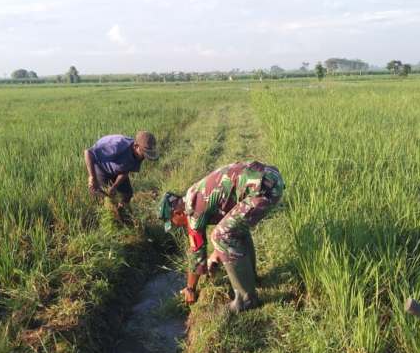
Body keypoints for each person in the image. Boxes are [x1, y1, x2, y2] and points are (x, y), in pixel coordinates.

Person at [158, 161, 284, 314]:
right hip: (270, 178)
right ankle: (252, 279)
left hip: (264, 188)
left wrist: (190, 288)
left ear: (177, 213)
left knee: (221, 235)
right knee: (234, 231)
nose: (177, 225)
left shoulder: (192, 210)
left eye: (173, 222)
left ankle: (246, 300)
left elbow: (196, 255)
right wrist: (216, 256)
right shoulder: (194, 194)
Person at [84, 131, 159, 214]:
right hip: (101, 167)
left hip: (117, 170)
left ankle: (122, 214)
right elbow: (88, 152)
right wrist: (92, 177)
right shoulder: (117, 145)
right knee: (106, 198)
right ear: (136, 146)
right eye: (144, 153)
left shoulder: (139, 156)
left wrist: (115, 186)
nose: (145, 156)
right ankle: (110, 215)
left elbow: (125, 171)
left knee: (127, 194)